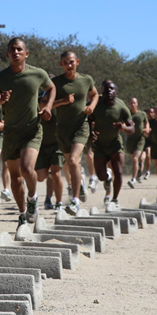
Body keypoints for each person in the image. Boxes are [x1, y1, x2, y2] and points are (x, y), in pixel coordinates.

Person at [0, 38, 55, 226]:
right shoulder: (0, 78)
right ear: (7, 54)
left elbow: (51, 87)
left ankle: (33, 198)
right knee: (15, 178)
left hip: (32, 130)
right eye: (12, 50)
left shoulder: (38, 74)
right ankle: (22, 213)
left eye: (19, 49)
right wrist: (0, 100)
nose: (16, 52)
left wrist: (48, 107)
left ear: (26, 53)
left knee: (27, 169)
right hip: (10, 132)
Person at [51, 51, 98, 215]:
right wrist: (62, 101)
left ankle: (75, 201)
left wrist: (91, 106)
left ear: (77, 62)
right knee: (69, 164)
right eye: (65, 62)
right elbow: (45, 104)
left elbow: (95, 94)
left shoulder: (86, 80)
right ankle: (80, 185)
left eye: (71, 62)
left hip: (80, 126)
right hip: (62, 129)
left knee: (72, 159)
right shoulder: (55, 83)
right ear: (61, 64)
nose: (68, 65)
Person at [88, 80, 134, 207]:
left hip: (115, 144)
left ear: (117, 93)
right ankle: (107, 178)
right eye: (106, 89)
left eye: (112, 89)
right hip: (99, 146)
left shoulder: (121, 107)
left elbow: (132, 128)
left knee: (118, 171)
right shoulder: (96, 104)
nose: (109, 91)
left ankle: (115, 199)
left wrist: (123, 128)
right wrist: (90, 132)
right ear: (101, 91)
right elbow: (87, 120)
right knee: (101, 176)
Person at [36, 77, 65, 212]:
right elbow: (42, 105)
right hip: (41, 144)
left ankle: (58, 203)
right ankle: (48, 195)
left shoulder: (62, 98)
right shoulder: (39, 98)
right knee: (41, 177)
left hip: (57, 144)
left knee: (56, 173)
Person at [125, 97, 150, 189]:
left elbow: (146, 123)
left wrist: (147, 129)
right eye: (131, 103)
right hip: (130, 139)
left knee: (135, 158)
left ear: (137, 104)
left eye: (134, 103)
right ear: (129, 104)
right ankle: (139, 170)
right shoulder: (127, 114)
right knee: (133, 159)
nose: (132, 104)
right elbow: (123, 124)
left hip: (140, 139)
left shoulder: (142, 114)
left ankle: (133, 179)